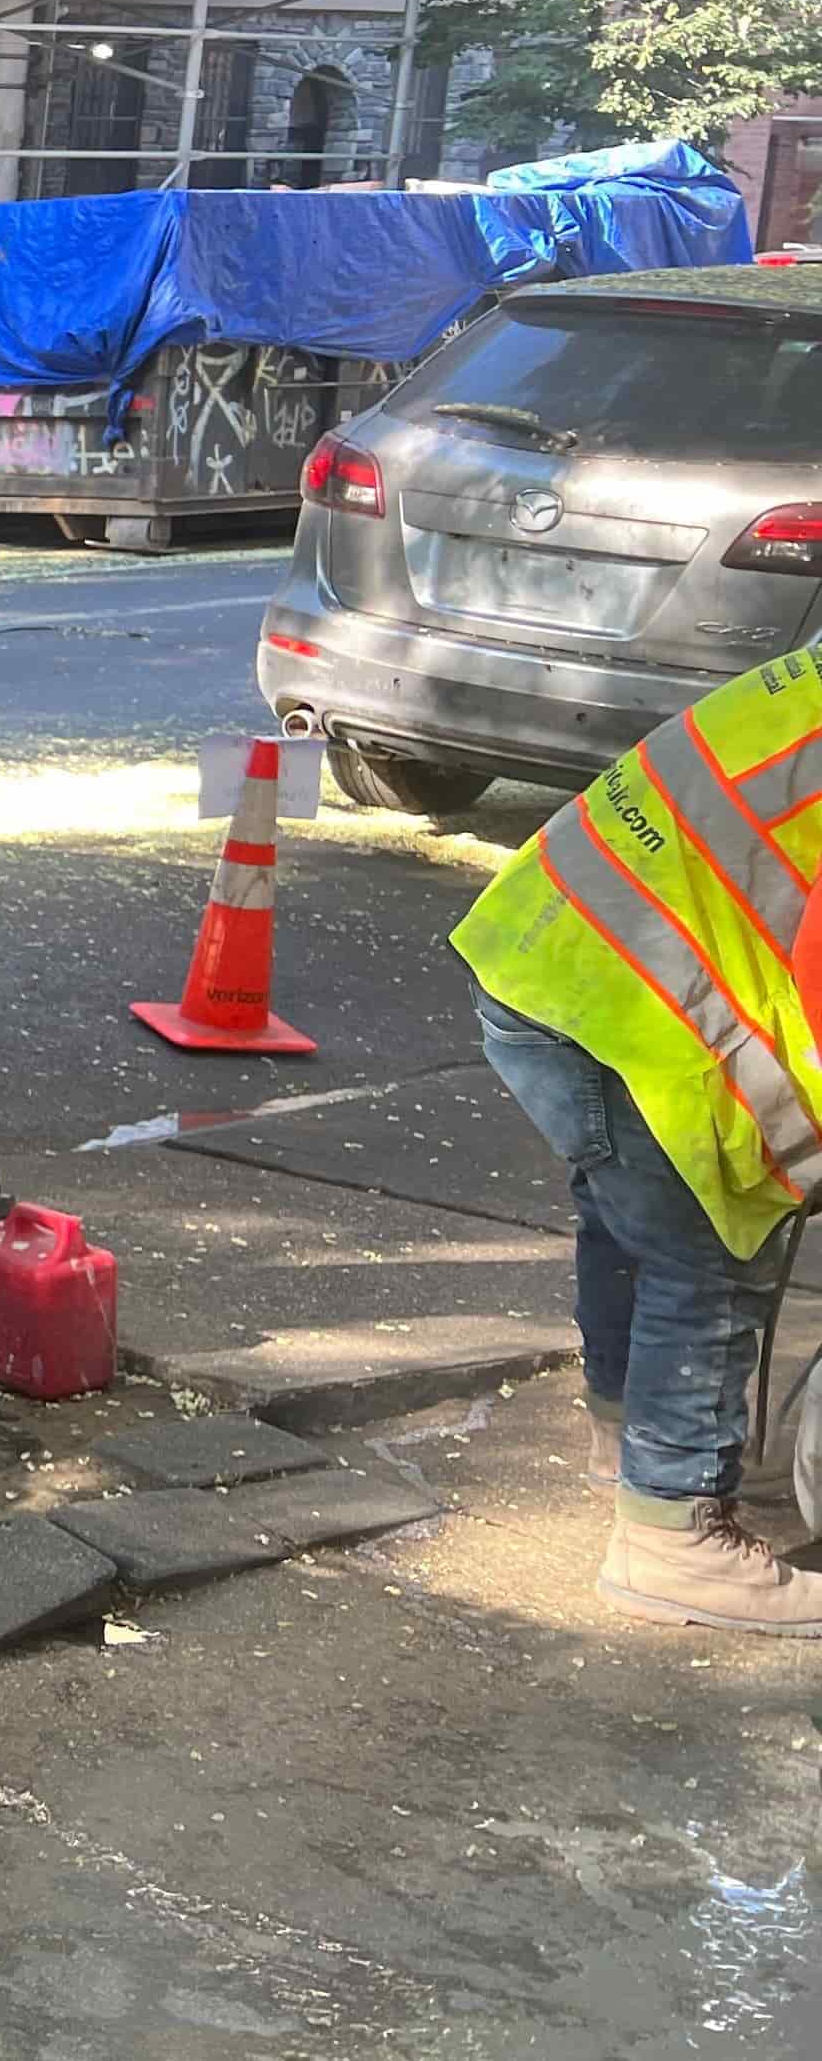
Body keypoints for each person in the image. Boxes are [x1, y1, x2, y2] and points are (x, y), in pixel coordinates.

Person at [456, 650, 822, 1632]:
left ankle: (624, 1436)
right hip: (636, 996)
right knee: (714, 1248)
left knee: (629, 1218)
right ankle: (674, 1536)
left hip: (552, 952)